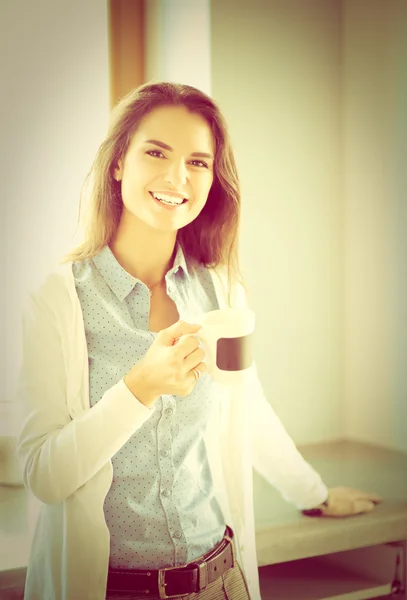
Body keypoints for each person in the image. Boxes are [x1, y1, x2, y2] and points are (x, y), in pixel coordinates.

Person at [16, 81, 381, 600]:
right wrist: (139, 388)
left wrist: (314, 494)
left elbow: (248, 408)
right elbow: (44, 477)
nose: (176, 177)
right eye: (156, 152)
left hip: (219, 580)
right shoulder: (57, 299)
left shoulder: (221, 292)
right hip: (109, 589)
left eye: (198, 162)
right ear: (118, 162)